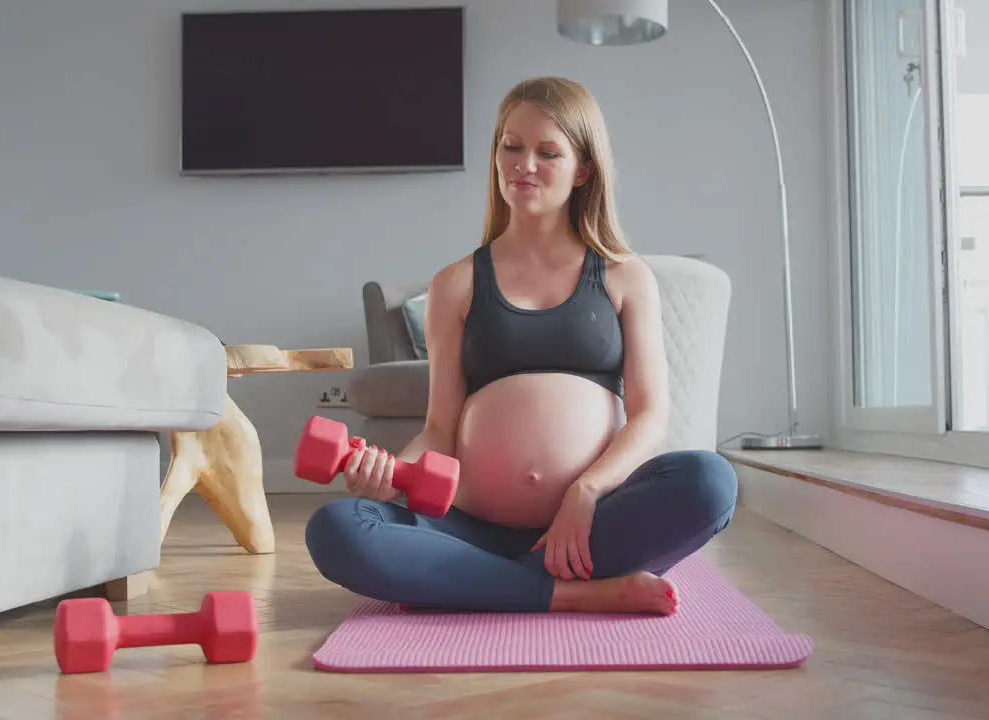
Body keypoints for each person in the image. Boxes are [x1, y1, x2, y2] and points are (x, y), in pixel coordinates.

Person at [305, 77, 738, 615]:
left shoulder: (627, 277)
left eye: (547, 152)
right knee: (337, 529)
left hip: (587, 527)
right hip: (469, 527)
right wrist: (391, 479)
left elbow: (649, 417)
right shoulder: (456, 283)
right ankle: (568, 593)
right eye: (511, 146)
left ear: (583, 169)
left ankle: (484, 586)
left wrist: (586, 493)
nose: (523, 164)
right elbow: (441, 426)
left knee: (711, 482)